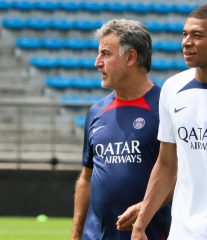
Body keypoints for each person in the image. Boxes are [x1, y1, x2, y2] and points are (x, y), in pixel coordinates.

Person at [129, 4, 207, 240]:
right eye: (184, 34)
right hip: (182, 231)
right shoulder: (172, 87)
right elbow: (166, 164)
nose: (186, 42)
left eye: (197, 35)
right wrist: (141, 223)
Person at [70, 19, 171, 240]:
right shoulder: (96, 111)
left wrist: (146, 206)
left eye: (106, 54)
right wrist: (76, 234)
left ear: (131, 57)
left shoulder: (167, 107)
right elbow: (86, 178)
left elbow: (183, 177)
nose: (98, 62)